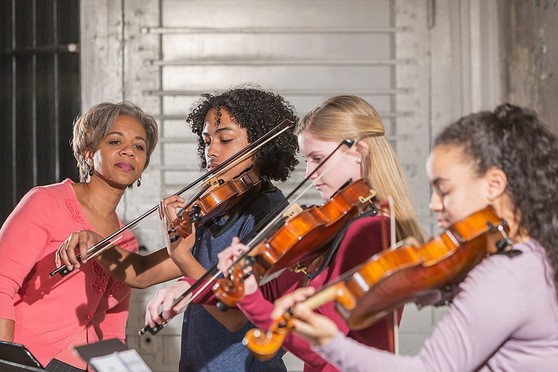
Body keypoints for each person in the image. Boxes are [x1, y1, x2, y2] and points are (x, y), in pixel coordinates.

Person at [270, 103, 558, 371]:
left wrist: (328, 342)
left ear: (494, 184)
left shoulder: (506, 274)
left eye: (444, 190)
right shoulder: (533, 257)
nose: (433, 204)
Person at [146, 95, 424, 372]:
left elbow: (324, 351)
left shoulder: (370, 231)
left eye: (317, 158)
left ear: (359, 152)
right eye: (306, 159)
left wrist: (248, 298)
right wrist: (193, 286)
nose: (310, 173)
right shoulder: (338, 224)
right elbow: (272, 289)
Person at [58, 87, 299, 371]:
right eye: (206, 140)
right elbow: (143, 272)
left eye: (225, 139)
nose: (212, 150)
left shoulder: (269, 214)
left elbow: (234, 316)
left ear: (261, 146)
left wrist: (183, 258)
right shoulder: (217, 209)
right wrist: (96, 244)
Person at [0, 101, 159, 371]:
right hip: (29, 359)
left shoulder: (126, 241)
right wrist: (6, 361)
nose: (128, 152)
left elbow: (110, 326)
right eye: (114, 141)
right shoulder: (47, 201)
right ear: (88, 153)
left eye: (139, 146)